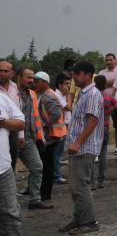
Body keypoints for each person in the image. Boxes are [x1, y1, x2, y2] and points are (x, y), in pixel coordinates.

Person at [59, 61, 103, 235]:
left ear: (87, 75)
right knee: (75, 186)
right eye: (73, 74)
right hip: (78, 147)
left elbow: (92, 120)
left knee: (80, 186)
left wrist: (77, 142)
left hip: (85, 147)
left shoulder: (92, 93)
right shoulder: (83, 93)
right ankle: (78, 219)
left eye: (77, 74)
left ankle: (89, 222)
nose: (74, 77)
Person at [15, 68, 53, 210]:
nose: (31, 80)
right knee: (8, 172)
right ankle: (8, 203)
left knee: (37, 167)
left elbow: (35, 117)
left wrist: (40, 137)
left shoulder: (32, 94)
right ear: (19, 78)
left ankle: (35, 200)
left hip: (29, 138)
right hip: (11, 138)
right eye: (28, 77)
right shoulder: (10, 94)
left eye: (33, 78)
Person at [33, 72, 67, 202]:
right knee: (46, 164)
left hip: (50, 136)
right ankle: (43, 192)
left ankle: (45, 195)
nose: (35, 84)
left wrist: (45, 125)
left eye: (37, 81)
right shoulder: (44, 95)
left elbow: (56, 113)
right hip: (50, 135)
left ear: (44, 82)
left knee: (47, 166)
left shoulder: (48, 96)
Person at [0, 92, 25, 236]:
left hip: (3, 169)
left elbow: (20, 123)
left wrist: (4, 123)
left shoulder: (2, 97)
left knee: (10, 215)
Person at [91, 75, 117, 189]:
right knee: (103, 155)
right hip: (104, 127)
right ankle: (101, 181)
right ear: (105, 84)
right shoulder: (108, 97)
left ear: (94, 84)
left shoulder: (92, 96)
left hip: (93, 128)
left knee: (91, 155)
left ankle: (91, 182)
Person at [98, 53, 117, 155]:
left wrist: (106, 83)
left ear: (115, 60)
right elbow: (99, 85)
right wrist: (113, 82)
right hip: (103, 103)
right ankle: (101, 147)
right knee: (102, 126)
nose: (108, 62)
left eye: (110, 59)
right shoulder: (101, 72)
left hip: (116, 102)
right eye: (107, 60)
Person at [0, 59, 20, 170]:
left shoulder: (14, 87)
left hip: (13, 129)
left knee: (11, 161)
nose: (2, 73)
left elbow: (18, 110)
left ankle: (9, 186)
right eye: (0, 70)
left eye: (5, 71)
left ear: (12, 72)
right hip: (1, 129)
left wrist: (20, 134)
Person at [53, 73, 71, 184]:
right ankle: (56, 176)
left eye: (69, 83)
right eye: (66, 84)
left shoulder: (62, 95)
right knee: (57, 153)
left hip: (64, 126)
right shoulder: (57, 95)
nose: (68, 86)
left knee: (59, 153)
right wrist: (69, 95)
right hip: (58, 127)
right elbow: (68, 107)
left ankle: (56, 174)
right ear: (60, 85)